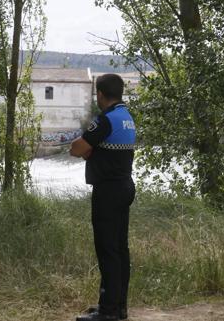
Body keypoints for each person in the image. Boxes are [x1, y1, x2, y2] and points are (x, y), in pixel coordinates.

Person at [70, 74, 136, 321]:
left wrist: (84, 150)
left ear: (100, 94)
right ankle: (118, 307)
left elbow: (78, 148)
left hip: (108, 191)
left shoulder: (106, 120)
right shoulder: (127, 118)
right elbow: (98, 149)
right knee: (120, 249)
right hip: (124, 187)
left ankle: (107, 312)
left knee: (107, 250)